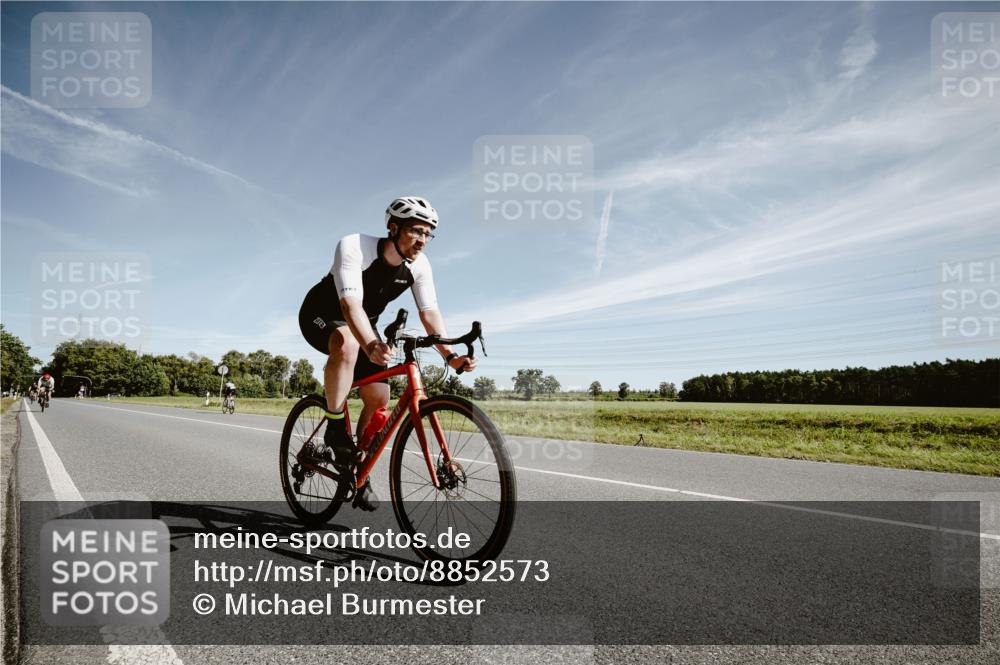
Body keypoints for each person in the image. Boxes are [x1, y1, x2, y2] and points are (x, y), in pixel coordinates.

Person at [298, 196, 477, 511]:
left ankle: (355, 471)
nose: (422, 240)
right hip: (322, 314)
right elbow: (349, 305)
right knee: (347, 342)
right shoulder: (355, 246)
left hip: (363, 326)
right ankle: (335, 425)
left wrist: (450, 356)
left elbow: (430, 313)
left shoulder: (419, 266)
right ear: (393, 228)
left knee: (379, 397)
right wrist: (370, 344)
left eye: (428, 234)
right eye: (416, 231)